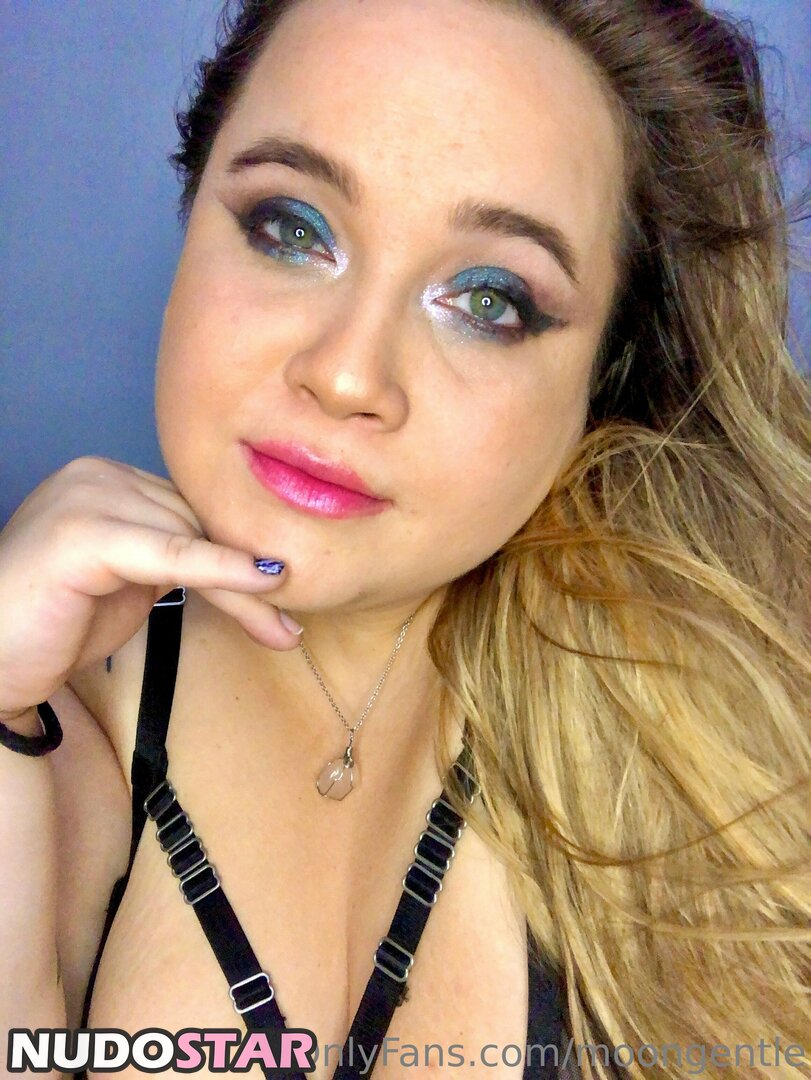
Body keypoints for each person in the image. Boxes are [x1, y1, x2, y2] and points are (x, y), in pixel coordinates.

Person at [1, 0, 808, 1077]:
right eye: (291, 227)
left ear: (608, 374)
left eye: (488, 299)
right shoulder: (52, 709)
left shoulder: (737, 749)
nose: (346, 374)